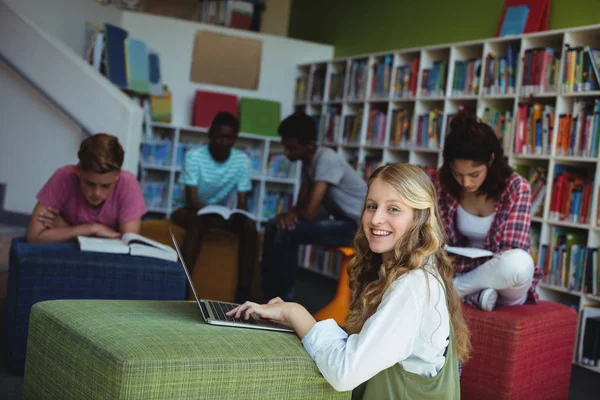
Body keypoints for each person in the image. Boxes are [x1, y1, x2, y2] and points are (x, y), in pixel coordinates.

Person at [228, 164, 470, 398]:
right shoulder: (412, 269)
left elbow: (344, 373)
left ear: (419, 218)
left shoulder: (412, 286)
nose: (376, 219)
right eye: (372, 206)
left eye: (393, 209)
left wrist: (295, 313)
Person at [436, 112, 542, 312]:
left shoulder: (516, 187)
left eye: (474, 174)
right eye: (458, 174)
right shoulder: (445, 186)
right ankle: (477, 296)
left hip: (501, 280)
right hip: (456, 269)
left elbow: (511, 248)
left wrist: (461, 273)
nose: (466, 183)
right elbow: (438, 240)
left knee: (519, 263)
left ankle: (454, 291)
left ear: (491, 160)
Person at [261, 112, 367, 302]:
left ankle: (282, 298)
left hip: (358, 227)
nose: (286, 153)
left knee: (288, 232)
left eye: (291, 148)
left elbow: (309, 213)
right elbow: (301, 206)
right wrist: (286, 216)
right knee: (273, 225)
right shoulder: (307, 163)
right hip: (343, 221)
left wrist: (292, 216)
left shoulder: (326, 159)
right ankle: (267, 292)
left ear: (309, 146)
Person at [172, 111, 258, 303]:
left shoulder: (242, 161)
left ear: (235, 139)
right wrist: (211, 213)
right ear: (210, 135)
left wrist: (239, 216)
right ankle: (181, 285)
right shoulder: (194, 157)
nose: (223, 142)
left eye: (229, 138)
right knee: (197, 222)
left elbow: (242, 202)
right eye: (219, 137)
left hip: (218, 213)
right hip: (189, 210)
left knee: (250, 228)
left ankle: (244, 293)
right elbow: (191, 200)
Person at [26, 133, 147, 243]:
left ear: (117, 175)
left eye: (106, 186)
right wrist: (92, 229)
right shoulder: (63, 177)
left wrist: (64, 228)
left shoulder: (127, 183)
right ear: (78, 170)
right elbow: (34, 237)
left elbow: (127, 244)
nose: (97, 193)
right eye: (90, 183)